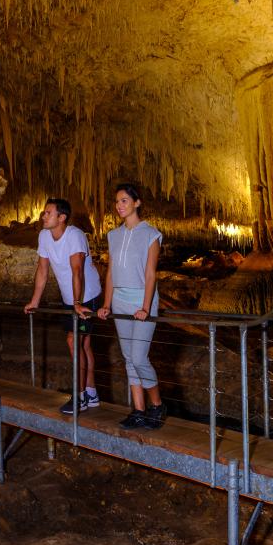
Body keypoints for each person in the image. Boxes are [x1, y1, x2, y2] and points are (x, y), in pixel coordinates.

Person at [97, 184, 166, 430]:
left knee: (139, 357)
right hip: (120, 300)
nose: (119, 206)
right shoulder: (113, 236)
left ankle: (157, 405)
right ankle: (138, 411)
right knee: (128, 358)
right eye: (117, 202)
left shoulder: (151, 234)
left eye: (124, 201)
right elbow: (111, 274)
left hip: (141, 300)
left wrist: (146, 308)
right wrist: (106, 304)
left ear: (137, 203)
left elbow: (150, 275)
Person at [24, 198, 102, 414]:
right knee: (83, 346)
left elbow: (77, 271)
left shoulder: (75, 236)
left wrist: (77, 303)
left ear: (62, 217)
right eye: (43, 213)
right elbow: (42, 270)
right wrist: (35, 301)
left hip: (87, 296)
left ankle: (79, 398)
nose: (43, 216)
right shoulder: (44, 236)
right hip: (70, 299)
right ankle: (91, 393)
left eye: (48, 213)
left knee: (73, 342)